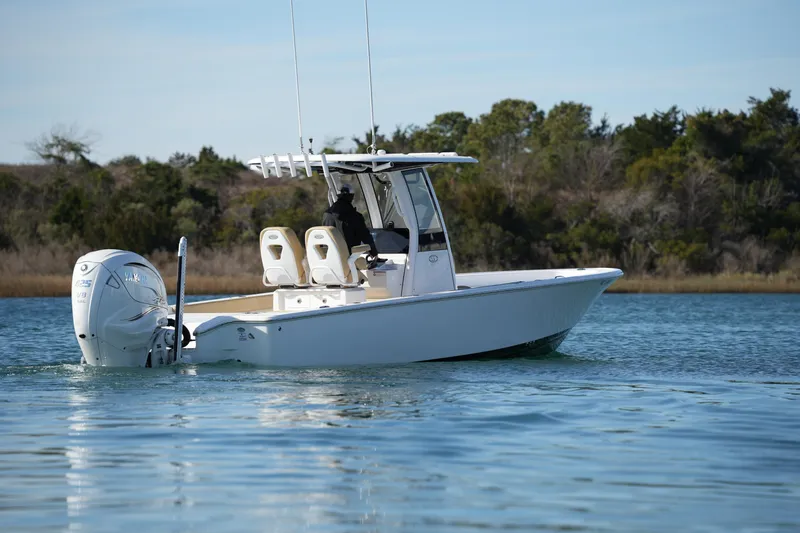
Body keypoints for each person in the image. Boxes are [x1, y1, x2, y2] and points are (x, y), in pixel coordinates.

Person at [323, 183, 380, 263]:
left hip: (330, 260)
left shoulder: (327, 215)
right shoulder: (354, 216)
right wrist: (374, 253)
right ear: (351, 196)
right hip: (348, 260)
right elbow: (365, 236)